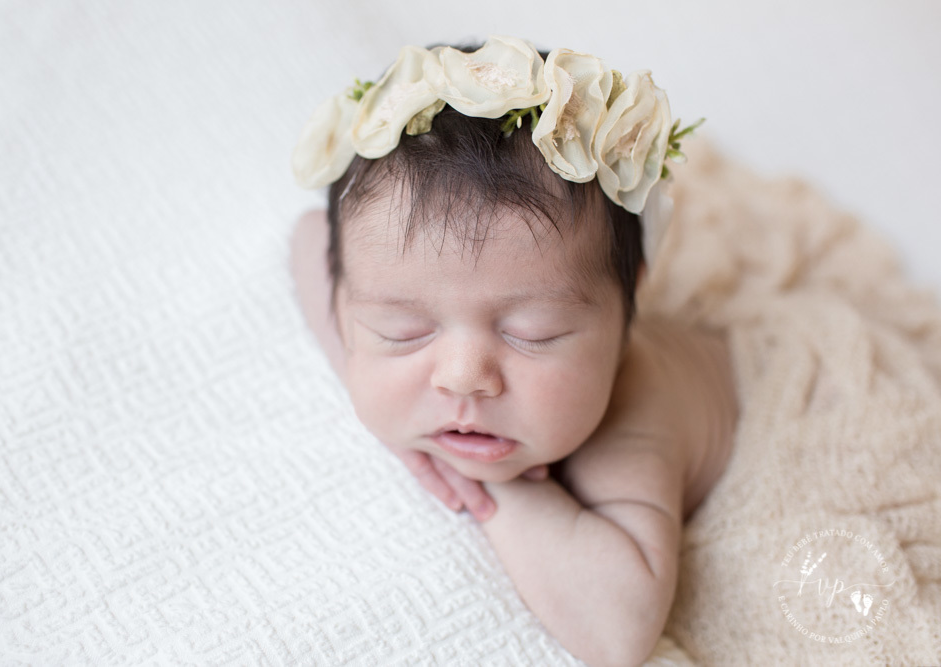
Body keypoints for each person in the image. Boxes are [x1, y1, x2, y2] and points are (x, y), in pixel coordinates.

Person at [289, 36, 739, 666]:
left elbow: (622, 630)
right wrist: (370, 382)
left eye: (534, 333)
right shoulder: (368, 278)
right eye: (402, 331)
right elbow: (311, 238)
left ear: (628, 309)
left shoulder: (631, 423)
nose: (463, 378)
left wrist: (489, 489)